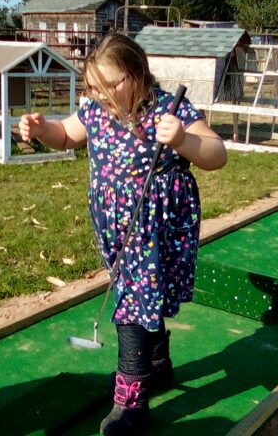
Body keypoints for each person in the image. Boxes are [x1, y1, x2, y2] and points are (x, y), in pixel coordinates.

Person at [19, 34, 226, 435]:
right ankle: (158, 364)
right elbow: (65, 136)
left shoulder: (170, 109)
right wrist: (43, 128)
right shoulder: (96, 109)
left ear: (136, 74)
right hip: (114, 225)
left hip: (159, 224)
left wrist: (183, 140)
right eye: (91, 86)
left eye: (108, 85)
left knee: (135, 300)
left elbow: (216, 154)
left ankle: (130, 399)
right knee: (144, 293)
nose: (98, 94)